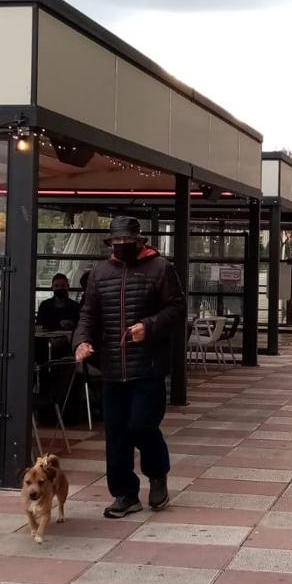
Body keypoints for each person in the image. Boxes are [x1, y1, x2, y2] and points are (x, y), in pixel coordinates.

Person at [74, 216, 185, 518]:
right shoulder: (100, 272)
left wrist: (148, 327)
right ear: (110, 243)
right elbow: (88, 314)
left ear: (139, 241)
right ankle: (125, 493)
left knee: (141, 426)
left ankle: (157, 473)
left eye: (127, 242)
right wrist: (81, 341)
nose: (121, 247)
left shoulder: (161, 268)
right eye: (117, 242)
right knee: (116, 434)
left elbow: (177, 309)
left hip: (148, 366)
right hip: (111, 367)